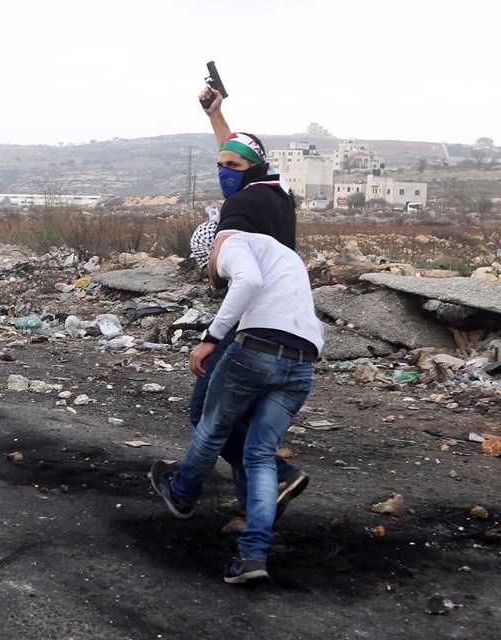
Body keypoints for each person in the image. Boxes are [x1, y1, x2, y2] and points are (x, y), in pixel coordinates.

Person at [153, 229, 324, 584]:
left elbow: (248, 281)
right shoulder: (286, 256)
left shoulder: (232, 242)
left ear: (212, 246)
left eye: (209, 266)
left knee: (212, 426)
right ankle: (253, 555)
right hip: (302, 364)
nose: (213, 273)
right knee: (260, 455)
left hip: (255, 352)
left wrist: (209, 339)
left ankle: (181, 492)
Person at [187, 85, 308, 516]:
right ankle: (255, 515)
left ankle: (276, 473)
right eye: (220, 165)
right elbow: (237, 152)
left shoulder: (241, 204)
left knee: (206, 411)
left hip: (248, 324)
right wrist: (216, 117)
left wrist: (212, 266)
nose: (224, 171)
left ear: (249, 169)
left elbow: (226, 277)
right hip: (284, 323)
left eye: (231, 167)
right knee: (246, 420)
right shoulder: (277, 191)